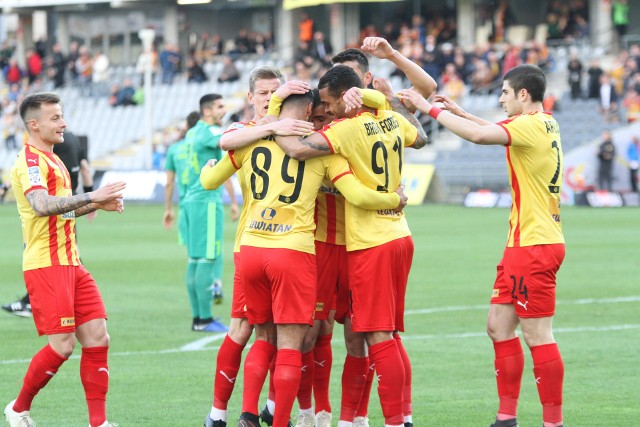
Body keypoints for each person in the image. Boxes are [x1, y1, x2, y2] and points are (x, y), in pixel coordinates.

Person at [201, 89, 407, 427]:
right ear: (309, 111)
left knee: (260, 337)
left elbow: (209, 180)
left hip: (251, 248)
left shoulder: (247, 142)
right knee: (291, 346)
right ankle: (283, 422)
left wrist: (208, 168)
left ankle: (244, 414)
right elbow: (356, 194)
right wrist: (394, 199)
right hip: (293, 251)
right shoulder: (320, 153)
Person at [398, 63, 566, 427]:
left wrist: (429, 110)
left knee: (538, 334)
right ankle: (506, 418)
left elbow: (479, 137)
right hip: (524, 241)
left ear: (523, 95)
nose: (501, 99)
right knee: (498, 326)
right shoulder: (544, 121)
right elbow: (490, 129)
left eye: (505, 93)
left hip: (534, 245)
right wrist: (461, 112)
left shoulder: (527, 125)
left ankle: (553, 422)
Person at [273, 64, 428, 427]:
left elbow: (298, 152)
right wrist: (381, 99)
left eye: (328, 102)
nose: (323, 108)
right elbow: (419, 135)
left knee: (367, 335)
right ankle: (315, 412)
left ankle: (359, 418)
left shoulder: (342, 132)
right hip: (330, 244)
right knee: (314, 333)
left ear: (347, 95)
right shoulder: (379, 118)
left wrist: (269, 120)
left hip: (364, 243)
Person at [4, 92, 125, 427]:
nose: (64, 123)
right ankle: (18, 408)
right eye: (55, 118)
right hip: (47, 264)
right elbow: (42, 205)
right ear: (34, 124)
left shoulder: (54, 159)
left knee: (99, 336)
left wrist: (96, 205)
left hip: (72, 262)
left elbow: (64, 209)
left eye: (62, 115)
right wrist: (93, 195)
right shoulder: (29, 161)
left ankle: (98, 423)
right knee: (61, 346)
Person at [203, 66, 314, 427]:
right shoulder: (245, 132)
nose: (269, 99)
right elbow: (225, 141)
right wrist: (271, 127)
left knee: (282, 335)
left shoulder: (288, 135)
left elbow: (210, 176)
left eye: (275, 92)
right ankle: (222, 413)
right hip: (271, 246)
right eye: (263, 93)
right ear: (251, 97)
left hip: (257, 246)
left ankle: (263, 409)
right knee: (251, 330)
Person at [2, 130, 95, 318]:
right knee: (69, 251)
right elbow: (85, 168)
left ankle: (34, 303)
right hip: (69, 204)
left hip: (54, 208)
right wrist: (90, 197)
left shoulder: (46, 145)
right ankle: (35, 301)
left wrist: (5, 187)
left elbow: (31, 175)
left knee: (45, 252)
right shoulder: (75, 140)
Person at [181, 93, 238, 333]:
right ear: (207, 111)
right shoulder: (210, 132)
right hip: (207, 201)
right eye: (219, 106)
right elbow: (230, 141)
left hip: (190, 201)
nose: (223, 110)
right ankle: (204, 319)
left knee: (195, 260)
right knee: (206, 259)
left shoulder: (192, 132)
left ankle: (198, 318)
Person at [163, 110, 200, 243]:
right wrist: (234, 202)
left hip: (185, 204)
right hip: (204, 202)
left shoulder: (174, 149)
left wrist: (168, 209)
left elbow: (169, 183)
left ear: (186, 126)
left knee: (191, 250)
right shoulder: (206, 146)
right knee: (206, 252)